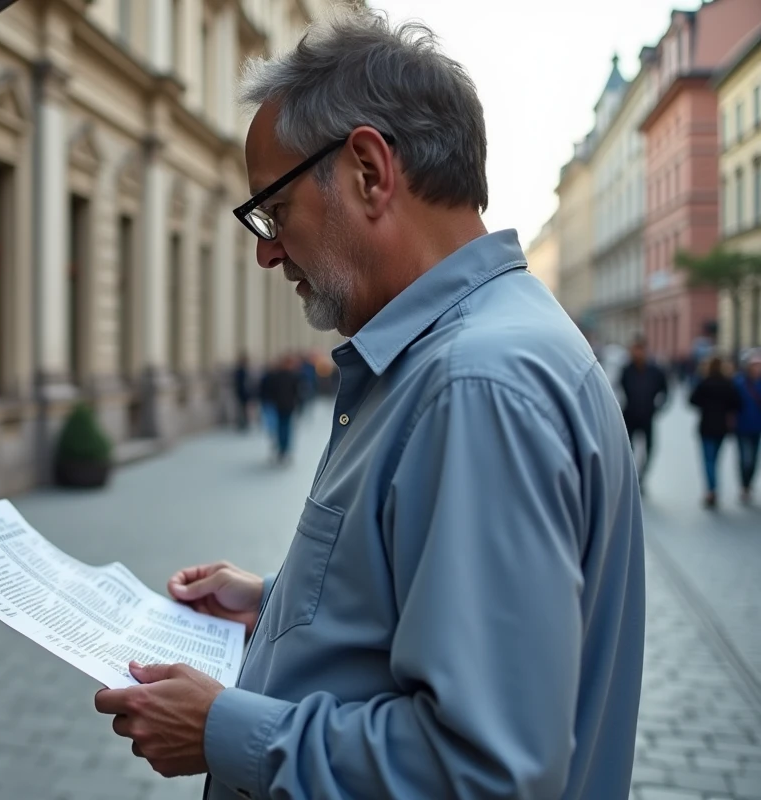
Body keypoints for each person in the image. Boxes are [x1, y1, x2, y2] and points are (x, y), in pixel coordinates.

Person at [94, 8, 645, 800]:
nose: (266, 250)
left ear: (368, 171)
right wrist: (281, 607)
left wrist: (221, 730)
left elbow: (482, 771)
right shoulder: (470, 349)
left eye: (274, 211)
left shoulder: (475, 386)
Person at [690, 356, 742, 509]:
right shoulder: (728, 384)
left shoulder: (704, 383)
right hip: (721, 427)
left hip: (706, 425)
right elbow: (737, 404)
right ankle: (713, 488)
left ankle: (711, 490)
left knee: (708, 460)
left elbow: (692, 400)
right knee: (716, 459)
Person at [619, 336, 669, 492]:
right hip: (630, 415)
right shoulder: (626, 370)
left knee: (650, 448)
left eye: (639, 349)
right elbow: (619, 388)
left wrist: (659, 407)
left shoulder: (655, 371)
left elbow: (665, 390)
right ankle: (632, 477)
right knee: (628, 449)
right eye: (634, 350)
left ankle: (642, 477)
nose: (636, 353)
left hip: (648, 415)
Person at [735, 351, 761, 504]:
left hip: (757, 426)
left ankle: (748, 484)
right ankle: (744, 485)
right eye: (755, 365)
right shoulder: (739, 382)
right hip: (742, 426)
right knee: (746, 458)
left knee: (754, 458)